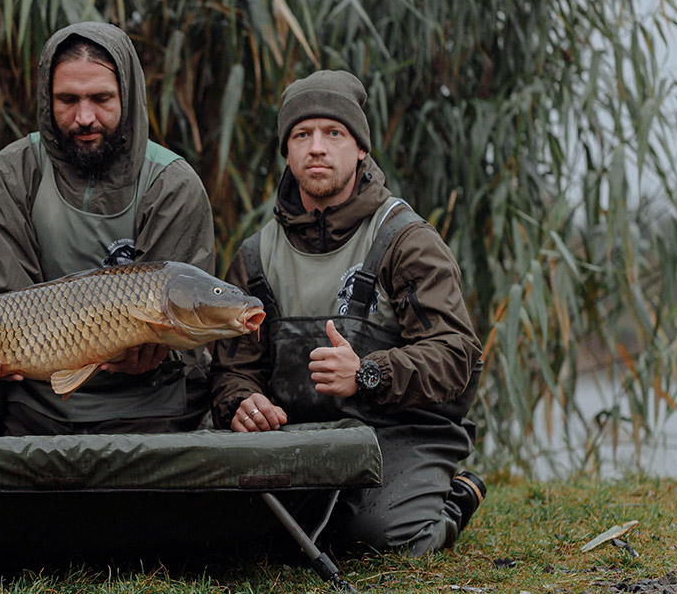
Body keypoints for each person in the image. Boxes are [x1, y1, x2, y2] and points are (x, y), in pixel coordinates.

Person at [209, 70, 487, 556]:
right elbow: (234, 369)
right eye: (302, 135)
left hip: (401, 428)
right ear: (287, 151)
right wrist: (242, 404)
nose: (317, 147)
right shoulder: (255, 257)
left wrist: (369, 374)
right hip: (304, 434)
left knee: (381, 537)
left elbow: (457, 355)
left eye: (333, 133)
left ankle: (453, 501)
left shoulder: (405, 240)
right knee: (240, 537)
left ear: (360, 149)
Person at [0, 21, 216, 436]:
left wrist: (161, 351)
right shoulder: (9, 176)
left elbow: (190, 324)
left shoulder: (172, 184)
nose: (84, 117)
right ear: (46, 99)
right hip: (35, 404)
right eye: (67, 100)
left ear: (127, 97)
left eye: (101, 98)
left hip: (148, 405)